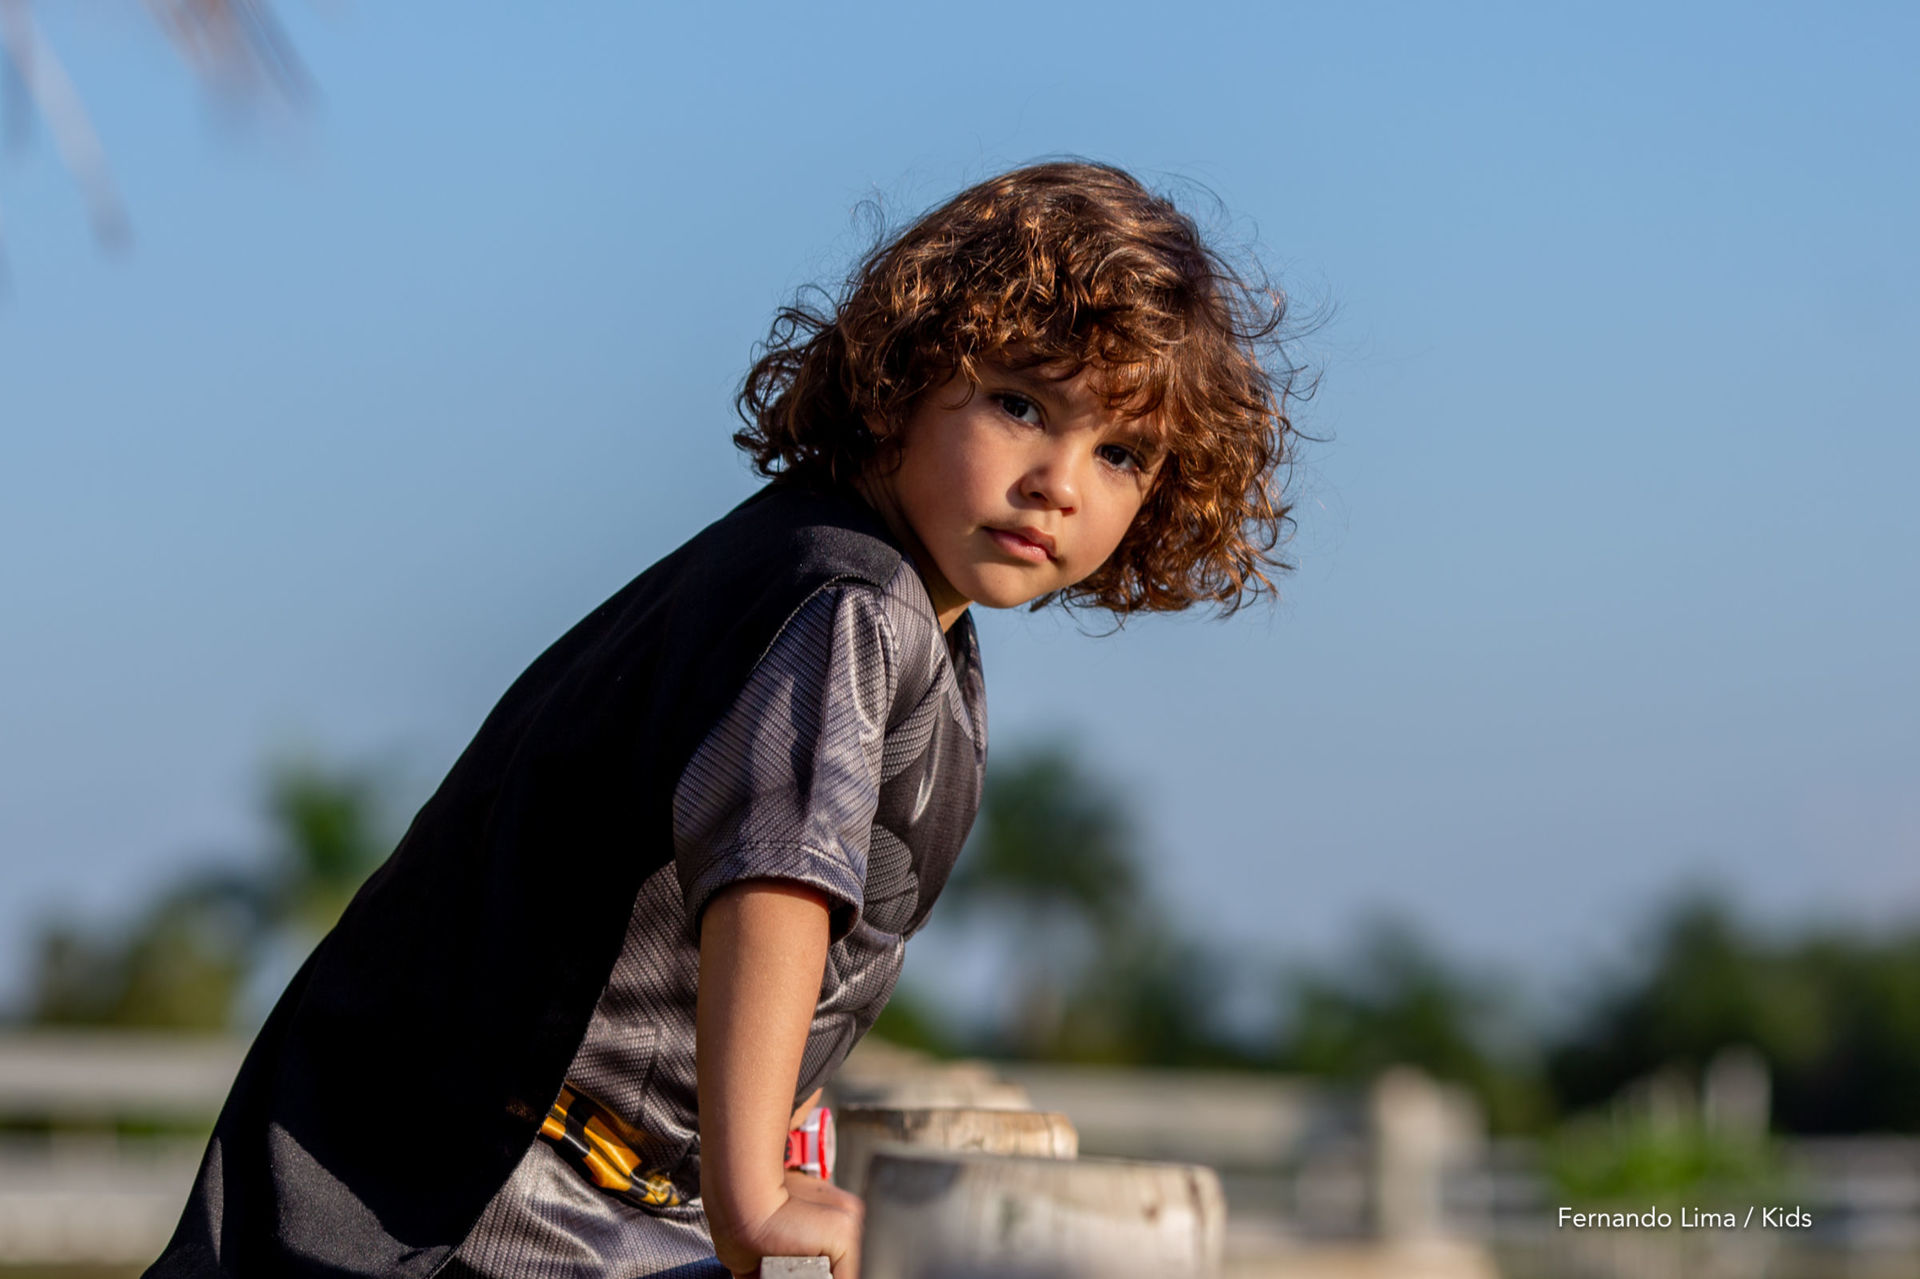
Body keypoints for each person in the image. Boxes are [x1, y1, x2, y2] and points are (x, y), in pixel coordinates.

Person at [146, 160, 1300, 1279]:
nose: (1060, 478)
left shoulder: (897, 613)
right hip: (466, 1198)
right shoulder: (846, 600)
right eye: (1018, 403)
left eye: (1120, 452)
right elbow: (774, 883)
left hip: (568, 1190)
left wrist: (782, 1136)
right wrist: (757, 1198)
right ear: (901, 377)